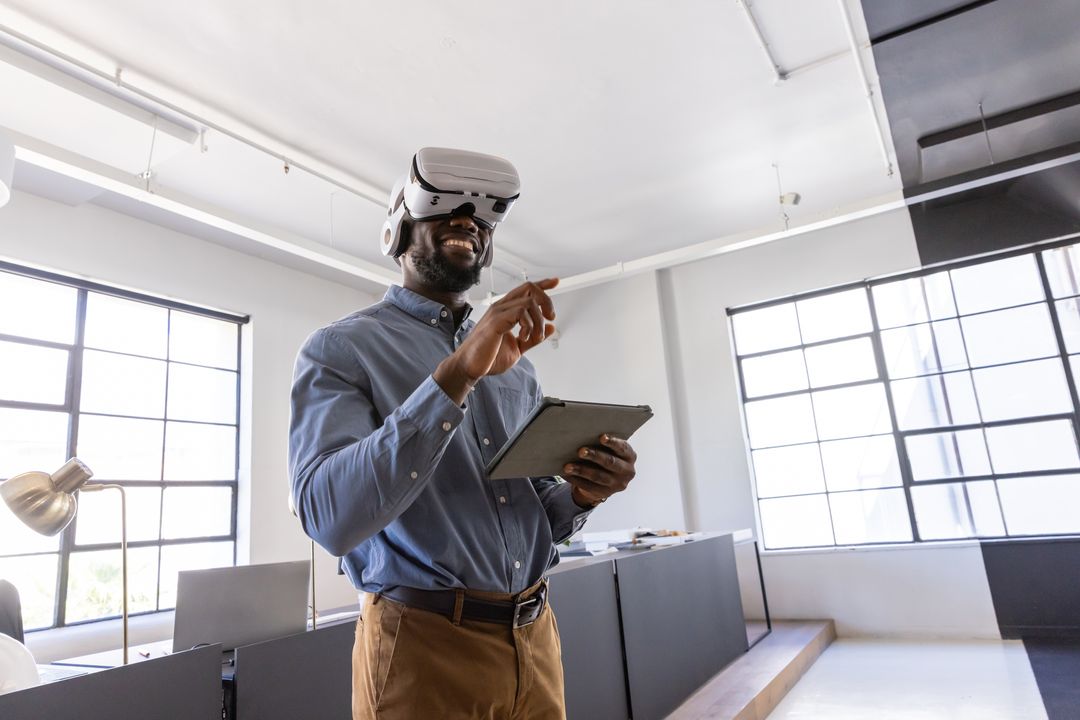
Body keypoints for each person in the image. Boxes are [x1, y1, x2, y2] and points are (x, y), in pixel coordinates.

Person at [288, 147, 638, 720]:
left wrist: (582, 492)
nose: (467, 223)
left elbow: (527, 511)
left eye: (480, 219)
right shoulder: (341, 350)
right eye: (444, 211)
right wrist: (457, 375)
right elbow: (328, 517)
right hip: (423, 645)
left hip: (536, 635)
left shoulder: (517, 366)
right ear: (398, 232)